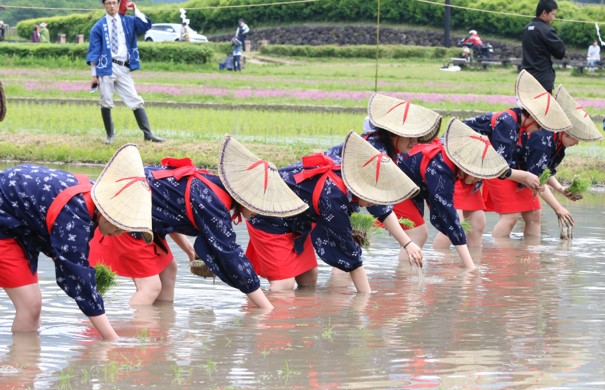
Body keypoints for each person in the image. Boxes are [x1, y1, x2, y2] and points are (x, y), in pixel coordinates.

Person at [89, 136, 308, 309]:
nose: (260, 211)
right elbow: (231, 256)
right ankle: (123, 340)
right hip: (127, 214)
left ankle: (159, 332)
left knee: (169, 271)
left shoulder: (211, 185)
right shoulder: (215, 206)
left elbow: (170, 214)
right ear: (245, 198)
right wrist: (267, 308)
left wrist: (189, 251)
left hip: (148, 221)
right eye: (260, 204)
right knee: (150, 288)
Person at [0, 143, 153, 341]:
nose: (118, 233)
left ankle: (26, 365)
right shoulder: (75, 218)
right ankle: (21, 366)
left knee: (32, 307)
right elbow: (77, 279)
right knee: (30, 307)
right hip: (6, 223)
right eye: (119, 225)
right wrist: (112, 339)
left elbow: (62, 247)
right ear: (108, 212)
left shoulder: (87, 197)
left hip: (18, 223)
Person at [245, 131, 420, 293]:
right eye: (374, 198)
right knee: (284, 285)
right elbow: (351, 258)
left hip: (297, 221)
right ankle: (266, 319)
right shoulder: (335, 199)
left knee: (309, 279)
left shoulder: (348, 182)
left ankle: (298, 321)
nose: (373, 204)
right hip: (267, 214)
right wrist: (366, 300)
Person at [432, 69, 571, 248]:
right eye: (538, 124)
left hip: (470, 169)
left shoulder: (517, 127)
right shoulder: (507, 122)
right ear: (529, 116)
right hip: (452, 162)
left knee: (477, 224)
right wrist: (524, 176)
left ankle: (471, 268)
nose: (538, 130)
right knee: (454, 223)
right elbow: (499, 167)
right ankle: (440, 265)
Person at [489, 84, 602, 239]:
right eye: (576, 138)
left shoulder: (559, 144)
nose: (577, 143)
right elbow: (537, 181)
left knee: (534, 217)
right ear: (565, 132)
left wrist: (561, 188)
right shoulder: (543, 139)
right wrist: (558, 208)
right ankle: (499, 257)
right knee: (511, 217)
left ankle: (531, 258)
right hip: (506, 171)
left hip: (526, 175)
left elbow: (542, 172)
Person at [397, 118, 510, 271]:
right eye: (477, 175)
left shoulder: (450, 163)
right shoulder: (441, 171)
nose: (478, 180)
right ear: (466, 166)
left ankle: (408, 277)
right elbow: (449, 217)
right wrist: (470, 268)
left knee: (421, 233)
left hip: (412, 183)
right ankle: (405, 280)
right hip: (397, 180)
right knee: (417, 234)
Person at [357, 93, 442, 258]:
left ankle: (405, 280)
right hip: (327, 198)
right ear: (391, 133)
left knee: (348, 251)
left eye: (416, 136)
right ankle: (405, 280)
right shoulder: (377, 154)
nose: (414, 142)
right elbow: (376, 204)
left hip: (338, 201)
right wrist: (407, 243)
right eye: (409, 136)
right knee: (348, 253)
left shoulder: (384, 149)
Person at [87, 0, 164, 145]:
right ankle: (110, 136)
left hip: (123, 68)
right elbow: (94, 52)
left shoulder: (128, 21)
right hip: (106, 68)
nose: (111, 6)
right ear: (103, 5)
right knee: (106, 101)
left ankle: (148, 134)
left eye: (114, 2)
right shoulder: (98, 27)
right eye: (108, 3)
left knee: (134, 99)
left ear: (118, 4)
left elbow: (145, 25)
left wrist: (135, 9)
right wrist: (93, 75)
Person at [521, 0, 565, 93]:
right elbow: (560, 52)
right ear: (544, 13)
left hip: (526, 77)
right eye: (553, 14)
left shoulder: (526, 30)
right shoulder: (546, 30)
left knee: (527, 107)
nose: (554, 17)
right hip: (542, 78)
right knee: (543, 107)